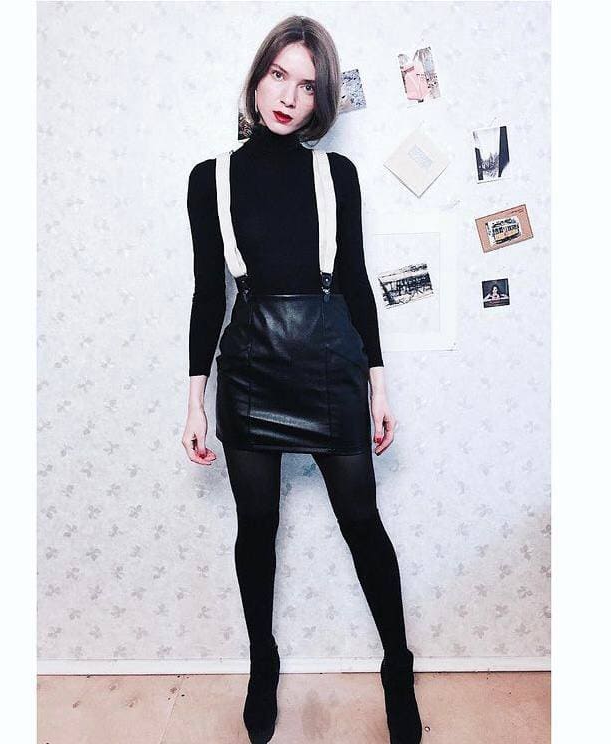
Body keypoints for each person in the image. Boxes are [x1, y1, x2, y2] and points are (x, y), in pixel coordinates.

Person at [182, 16, 423, 744]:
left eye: (308, 85)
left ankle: (398, 666)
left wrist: (379, 385)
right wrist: (194, 401)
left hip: (328, 365)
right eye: (279, 75)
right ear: (258, 78)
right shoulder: (209, 179)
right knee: (257, 527)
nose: (289, 96)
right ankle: (264, 662)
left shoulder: (335, 174)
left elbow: (354, 282)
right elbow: (207, 294)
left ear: (321, 100)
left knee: (362, 524)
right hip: (250, 372)